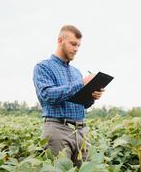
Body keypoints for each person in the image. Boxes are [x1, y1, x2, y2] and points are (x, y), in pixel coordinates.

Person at [33, 25, 104, 167]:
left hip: (81, 130)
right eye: (73, 44)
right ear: (60, 41)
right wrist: (82, 82)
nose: (76, 48)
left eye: (78, 45)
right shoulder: (43, 67)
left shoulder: (76, 72)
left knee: (87, 170)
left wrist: (92, 96)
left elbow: (82, 104)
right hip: (57, 130)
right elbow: (48, 95)